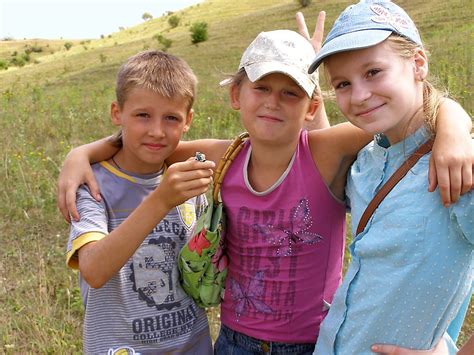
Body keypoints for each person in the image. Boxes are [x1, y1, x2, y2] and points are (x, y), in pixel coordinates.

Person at [58, 23, 472, 354]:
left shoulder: (327, 150)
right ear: (237, 95)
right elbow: (150, 146)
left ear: (311, 108)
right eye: (261, 88)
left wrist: (454, 123)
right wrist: (81, 153)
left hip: (312, 343)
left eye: (290, 93)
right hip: (233, 340)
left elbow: (414, 112)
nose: (273, 102)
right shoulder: (222, 156)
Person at [306, 1, 473, 354]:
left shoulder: (457, 162)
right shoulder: (365, 163)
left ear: (418, 63)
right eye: (342, 83)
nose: (360, 96)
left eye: (373, 72)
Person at [65, 50, 216, 354]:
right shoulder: (93, 184)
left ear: (188, 121)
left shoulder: (189, 177)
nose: (157, 131)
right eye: (142, 115)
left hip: (194, 344)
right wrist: (160, 201)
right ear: (117, 113)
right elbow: (93, 270)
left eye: (171, 118)